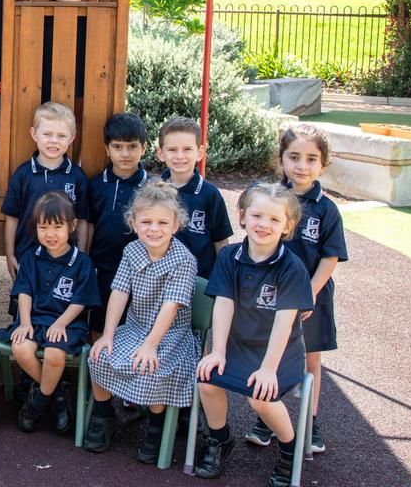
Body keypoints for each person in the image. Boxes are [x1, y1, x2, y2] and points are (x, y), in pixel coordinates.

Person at [194, 183, 313, 487]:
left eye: (275, 219)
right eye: (257, 215)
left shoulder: (292, 267)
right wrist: (218, 350)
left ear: (288, 225)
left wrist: (268, 369)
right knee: (207, 381)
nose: (264, 224)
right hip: (237, 344)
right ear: (243, 216)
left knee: (260, 398)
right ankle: (220, 440)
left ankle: (289, 449)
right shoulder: (229, 256)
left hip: (279, 352)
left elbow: (284, 325)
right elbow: (223, 306)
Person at [244, 124, 347, 454]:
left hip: (311, 299)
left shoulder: (327, 209)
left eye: (312, 159)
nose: (302, 165)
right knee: (268, 354)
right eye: (294, 157)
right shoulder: (272, 199)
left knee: (309, 359)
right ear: (281, 159)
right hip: (270, 296)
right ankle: (268, 418)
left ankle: (309, 421)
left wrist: (310, 293)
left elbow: (330, 258)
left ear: (323, 164)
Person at [85, 180, 199, 463]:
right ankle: (103, 414)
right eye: (146, 221)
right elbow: (120, 292)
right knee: (100, 356)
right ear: (134, 223)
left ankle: (157, 427)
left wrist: (150, 345)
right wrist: (108, 334)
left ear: (175, 225)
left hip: (169, 333)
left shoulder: (183, 260)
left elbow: (170, 308)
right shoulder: (132, 250)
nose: (154, 228)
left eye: (162, 222)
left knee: (151, 367)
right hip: (135, 326)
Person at [0, 191, 100, 435]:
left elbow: (80, 301)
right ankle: (56, 393)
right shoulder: (31, 258)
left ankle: (36, 404)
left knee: (54, 352)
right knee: (21, 348)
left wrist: (61, 324)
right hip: (36, 320)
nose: (50, 234)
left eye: (57, 227)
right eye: (43, 227)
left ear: (72, 226)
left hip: (68, 323)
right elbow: (24, 292)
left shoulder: (81, 262)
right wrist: (25, 322)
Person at [1, 102, 89, 278]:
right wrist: (10, 254)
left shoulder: (77, 177)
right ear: (34, 134)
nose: (54, 141)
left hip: (64, 258)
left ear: (72, 138)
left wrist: (81, 255)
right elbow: (12, 217)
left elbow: (83, 221)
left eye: (61, 136)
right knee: (24, 301)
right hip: (26, 255)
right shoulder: (23, 174)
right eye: (47, 134)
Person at [83, 112, 150, 333]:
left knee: (136, 323)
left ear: (144, 148)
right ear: (107, 149)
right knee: (99, 323)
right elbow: (88, 224)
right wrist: (85, 259)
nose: (125, 154)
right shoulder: (95, 185)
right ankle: (96, 367)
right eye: (117, 147)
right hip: (103, 266)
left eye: (132, 147)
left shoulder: (153, 188)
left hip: (142, 269)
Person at [155, 117, 234, 279]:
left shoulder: (210, 194)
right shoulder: (154, 192)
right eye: (172, 150)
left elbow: (220, 242)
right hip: (159, 278)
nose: (179, 156)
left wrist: (222, 279)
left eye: (187, 149)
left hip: (200, 279)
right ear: (161, 153)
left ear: (200, 152)